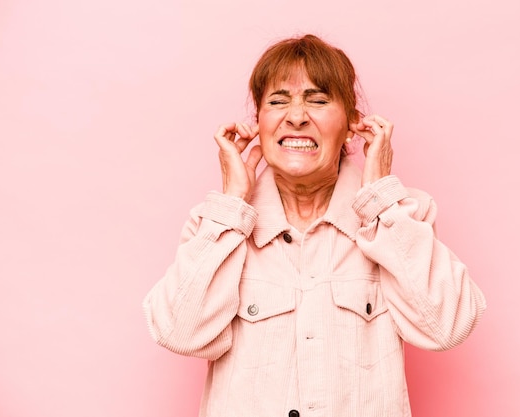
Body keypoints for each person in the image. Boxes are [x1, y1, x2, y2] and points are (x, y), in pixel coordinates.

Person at [143, 34, 486, 417]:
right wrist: (232, 202)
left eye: (318, 100)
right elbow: (179, 334)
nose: (296, 116)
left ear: (354, 123)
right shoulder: (218, 226)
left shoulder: (402, 217)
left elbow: (446, 327)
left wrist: (381, 200)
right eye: (277, 102)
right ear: (257, 123)